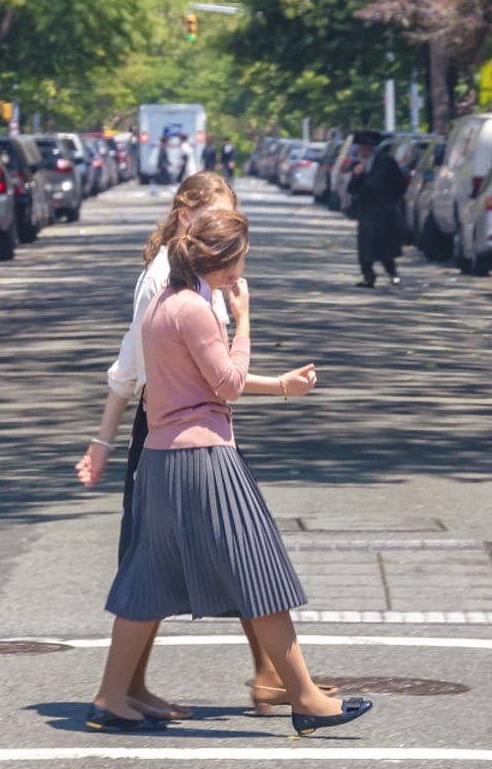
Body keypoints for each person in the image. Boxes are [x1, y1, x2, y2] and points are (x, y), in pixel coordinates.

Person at [87, 210, 373, 737]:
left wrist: (284, 384)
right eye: (242, 256)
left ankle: (111, 696)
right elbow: (227, 383)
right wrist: (244, 320)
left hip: (159, 458)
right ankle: (306, 697)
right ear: (225, 261)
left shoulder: (162, 306)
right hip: (204, 459)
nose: (245, 266)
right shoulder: (196, 309)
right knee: (258, 568)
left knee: (146, 577)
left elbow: (199, 382)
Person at [348, 131, 406, 287]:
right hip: (366, 209)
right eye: (360, 147)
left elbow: (399, 184)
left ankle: (393, 273)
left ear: (370, 147)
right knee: (365, 244)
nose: (361, 151)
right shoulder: (358, 165)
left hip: (384, 209)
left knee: (384, 244)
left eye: (364, 147)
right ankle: (368, 275)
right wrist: (357, 176)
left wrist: (390, 201)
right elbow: (352, 189)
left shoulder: (386, 162)